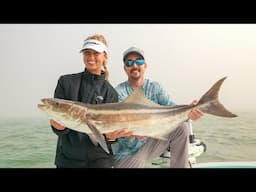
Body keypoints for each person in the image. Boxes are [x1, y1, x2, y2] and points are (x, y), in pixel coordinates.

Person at [109, 46, 204, 168]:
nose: (135, 65)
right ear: (125, 68)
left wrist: (190, 113)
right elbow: (117, 132)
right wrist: (133, 133)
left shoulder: (155, 87)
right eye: (129, 62)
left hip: (155, 139)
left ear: (145, 65)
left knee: (182, 127)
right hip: (130, 150)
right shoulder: (118, 93)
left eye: (139, 61)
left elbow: (173, 109)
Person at [50, 34, 121, 168]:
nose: (91, 57)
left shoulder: (111, 93)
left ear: (105, 56)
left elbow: (108, 137)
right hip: (68, 160)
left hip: (100, 161)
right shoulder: (65, 82)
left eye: (96, 53)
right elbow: (58, 125)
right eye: (87, 52)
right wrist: (57, 128)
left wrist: (113, 137)